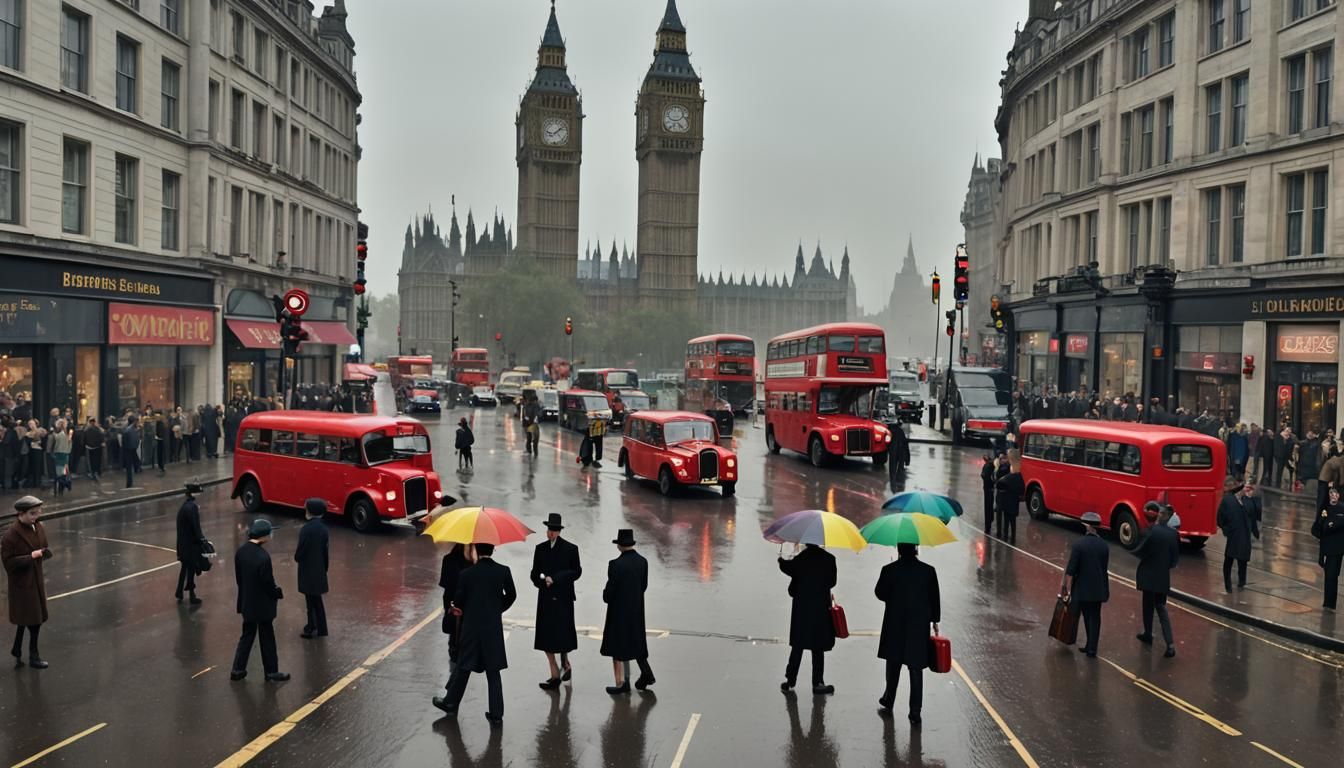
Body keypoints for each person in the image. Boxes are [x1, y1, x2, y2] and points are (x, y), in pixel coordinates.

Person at [434, 542, 517, 725]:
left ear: (477, 551)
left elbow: (459, 600)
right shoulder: (503, 571)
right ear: (493, 550)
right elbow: (512, 594)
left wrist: (459, 607)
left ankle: (450, 703)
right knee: (493, 672)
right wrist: (498, 608)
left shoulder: (467, 574)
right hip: (492, 629)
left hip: (471, 628)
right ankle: (496, 715)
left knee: (464, 667)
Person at [875, 542, 940, 725]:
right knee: (915, 668)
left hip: (895, 623)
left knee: (893, 664)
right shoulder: (928, 571)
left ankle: (889, 699)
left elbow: (880, 593)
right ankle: (915, 711)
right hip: (918, 626)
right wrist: (935, 620)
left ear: (898, 549)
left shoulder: (889, 570)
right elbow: (934, 598)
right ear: (916, 549)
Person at [230, 518, 289, 682]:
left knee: (247, 635)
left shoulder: (241, 552)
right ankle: (271, 671)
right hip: (263, 605)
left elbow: (239, 579)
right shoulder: (263, 557)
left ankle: (237, 669)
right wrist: (277, 593)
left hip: (247, 602)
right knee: (267, 637)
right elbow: (268, 583)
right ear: (263, 536)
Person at [777, 542, 837, 695]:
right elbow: (832, 582)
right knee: (818, 647)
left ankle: (790, 680)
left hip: (802, 608)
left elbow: (789, 569)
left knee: (798, 644)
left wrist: (781, 561)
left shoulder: (801, 558)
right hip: (820, 608)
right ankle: (818, 682)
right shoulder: (830, 559)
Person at [600, 529, 654, 694]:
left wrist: (605, 595)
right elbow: (643, 586)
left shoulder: (616, 565)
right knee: (636, 642)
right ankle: (646, 673)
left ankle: (621, 683)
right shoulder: (643, 562)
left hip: (619, 612)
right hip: (636, 609)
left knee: (617, 647)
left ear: (619, 546)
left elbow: (609, 594)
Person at [531, 513, 581, 690]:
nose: (550, 533)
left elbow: (576, 572)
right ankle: (554, 676)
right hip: (545, 598)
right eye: (549, 530)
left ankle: (565, 663)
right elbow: (534, 573)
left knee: (562, 635)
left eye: (554, 530)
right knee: (546, 637)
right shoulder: (540, 549)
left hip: (563, 599)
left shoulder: (570, 549)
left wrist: (556, 579)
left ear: (559, 532)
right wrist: (541, 580)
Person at [2, 496, 52, 669]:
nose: (36, 516)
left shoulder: (37, 526)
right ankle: (34, 656)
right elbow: (9, 564)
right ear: (20, 514)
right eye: (32, 513)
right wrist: (31, 556)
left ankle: (17, 649)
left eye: (38, 512)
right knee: (34, 621)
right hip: (22, 585)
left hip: (35, 580)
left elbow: (42, 545)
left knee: (28, 618)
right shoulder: (11, 536)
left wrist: (44, 552)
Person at [1134, 502, 1179, 658]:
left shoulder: (1152, 531)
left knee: (1147, 606)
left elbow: (1141, 551)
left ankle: (1147, 633)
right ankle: (1170, 644)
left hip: (1148, 575)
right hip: (1162, 577)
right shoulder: (1173, 534)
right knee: (1161, 608)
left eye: (1160, 513)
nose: (1158, 514)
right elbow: (1174, 560)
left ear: (1163, 516)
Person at [1063, 511, 1110, 658]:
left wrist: (1066, 589)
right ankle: (1092, 648)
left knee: (1085, 616)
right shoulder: (1104, 546)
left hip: (1082, 588)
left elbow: (1071, 570)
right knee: (1095, 617)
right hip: (1099, 588)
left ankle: (1089, 645)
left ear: (1086, 526)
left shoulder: (1079, 545)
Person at [1216, 477, 1260, 592]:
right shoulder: (1227, 500)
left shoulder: (1247, 500)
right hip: (1234, 535)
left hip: (1245, 535)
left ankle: (1241, 583)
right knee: (1229, 560)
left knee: (1242, 561)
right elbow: (1220, 519)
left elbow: (1255, 515)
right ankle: (1228, 585)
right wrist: (1227, 530)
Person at [295, 498, 330, 639]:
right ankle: (321, 628)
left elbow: (300, 551)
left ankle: (311, 627)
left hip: (307, 571)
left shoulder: (306, 529)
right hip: (319, 569)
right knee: (317, 601)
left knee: (311, 602)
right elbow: (325, 552)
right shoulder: (324, 529)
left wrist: (297, 557)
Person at [440, 543, 475, 673]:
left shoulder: (476, 563)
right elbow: (446, 584)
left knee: (461, 645)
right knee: (456, 645)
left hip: (467, 608)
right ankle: (453, 685)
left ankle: (454, 684)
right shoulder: (450, 560)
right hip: (455, 608)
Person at [175, 483, 209, 604]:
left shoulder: (184, 506)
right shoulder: (192, 507)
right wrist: (203, 541)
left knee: (185, 568)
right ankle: (192, 595)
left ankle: (179, 592)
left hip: (183, 545)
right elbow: (196, 527)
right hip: (190, 545)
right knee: (191, 569)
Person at [1314, 486, 1344, 610]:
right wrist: (1322, 521)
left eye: (1335, 494)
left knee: (1332, 575)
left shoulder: (1342, 508)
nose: (1333, 496)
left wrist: (1330, 525)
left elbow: (1339, 524)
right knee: (1328, 576)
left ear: (1339, 496)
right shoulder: (1325, 508)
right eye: (1331, 494)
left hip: (1337, 548)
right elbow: (1316, 529)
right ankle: (1327, 602)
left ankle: (1331, 603)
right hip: (1326, 547)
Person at [994, 453, 1025, 544]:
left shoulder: (1008, 478)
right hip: (1014, 503)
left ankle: (1005, 535)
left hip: (1007, 503)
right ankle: (1012, 537)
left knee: (1006, 520)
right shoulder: (1019, 478)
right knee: (1013, 521)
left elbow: (998, 484)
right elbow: (1021, 489)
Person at [48, 418, 71, 495]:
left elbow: (55, 444)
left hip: (59, 455)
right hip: (66, 455)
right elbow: (70, 445)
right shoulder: (66, 434)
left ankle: (66, 484)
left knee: (58, 474)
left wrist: (52, 433)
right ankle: (62, 489)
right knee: (64, 473)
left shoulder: (59, 435)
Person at [887, 423, 911, 489]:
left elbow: (886, 443)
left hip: (893, 452)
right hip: (901, 452)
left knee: (892, 469)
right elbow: (906, 445)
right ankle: (900, 485)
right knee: (900, 469)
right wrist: (907, 460)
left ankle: (893, 485)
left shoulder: (889, 431)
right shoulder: (900, 431)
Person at [121, 415, 141, 489]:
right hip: (130, 449)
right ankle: (129, 482)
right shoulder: (131, 430)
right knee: (130, 466)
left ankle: (129, 482)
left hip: (129, 449)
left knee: (129, 466)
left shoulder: (129, 430)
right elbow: (135, 440)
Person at [979, 454, 997, 533]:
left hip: (987, 488)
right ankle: (989, 521)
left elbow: (983, 475)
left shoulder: (987, 466)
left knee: (987, 507)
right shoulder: (992, 466)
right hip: (990, 489)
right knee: (990, 506)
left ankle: (988, 526)